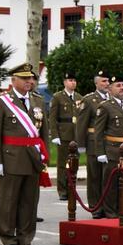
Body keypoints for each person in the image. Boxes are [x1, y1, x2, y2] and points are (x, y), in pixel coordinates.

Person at [0, 63, 51, 245]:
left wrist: (44, 155)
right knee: (9, 201)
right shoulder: (2, 101)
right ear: (13, 80)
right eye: (25, 79)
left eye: (31, 78)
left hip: (33, 157)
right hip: (11, 158)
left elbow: (44, 131)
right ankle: (9, 239)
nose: (29, 82)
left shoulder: (38, 100)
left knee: (29, 201)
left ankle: (26, 238)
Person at [92, 74, 123, 219]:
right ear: (110, 89)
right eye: (118, 86)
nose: (122, 88)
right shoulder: (105, 107)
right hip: (113, 150)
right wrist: (100, 152)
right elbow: (98, 132)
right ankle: (111, 212)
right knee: (111, 184)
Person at [76, 70, 111, 217]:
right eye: (103, 81)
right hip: (93, 142)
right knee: (95, 177)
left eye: (108, 81)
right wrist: (81, 144)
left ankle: (108, 206)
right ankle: (95, 207)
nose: (106, 84)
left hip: (109, 142)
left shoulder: (113, 98)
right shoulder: (89, 100)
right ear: (96, 83)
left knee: (107, 177)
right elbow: (81, 124)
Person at [47, 71, 81, 204]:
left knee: (75, 164)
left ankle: (72, 189)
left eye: (74, 80)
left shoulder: (79, 97)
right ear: (65, 83)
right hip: (64, 135)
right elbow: (52, 117)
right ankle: (62, 191)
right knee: (63, 165)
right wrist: (55, 135)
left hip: (76, 135)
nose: (73, 83)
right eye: (70, 80)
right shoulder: (57, 97)